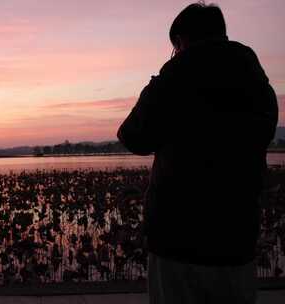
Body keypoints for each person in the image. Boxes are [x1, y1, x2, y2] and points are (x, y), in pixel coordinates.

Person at [117, 3, 278, 304]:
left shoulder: (174, 77)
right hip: (236, 233)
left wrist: (156, 85)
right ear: (222, 33)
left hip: (178, 236)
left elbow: (132, 136)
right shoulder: (256, 81)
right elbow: (263, 132)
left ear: (179, 40)